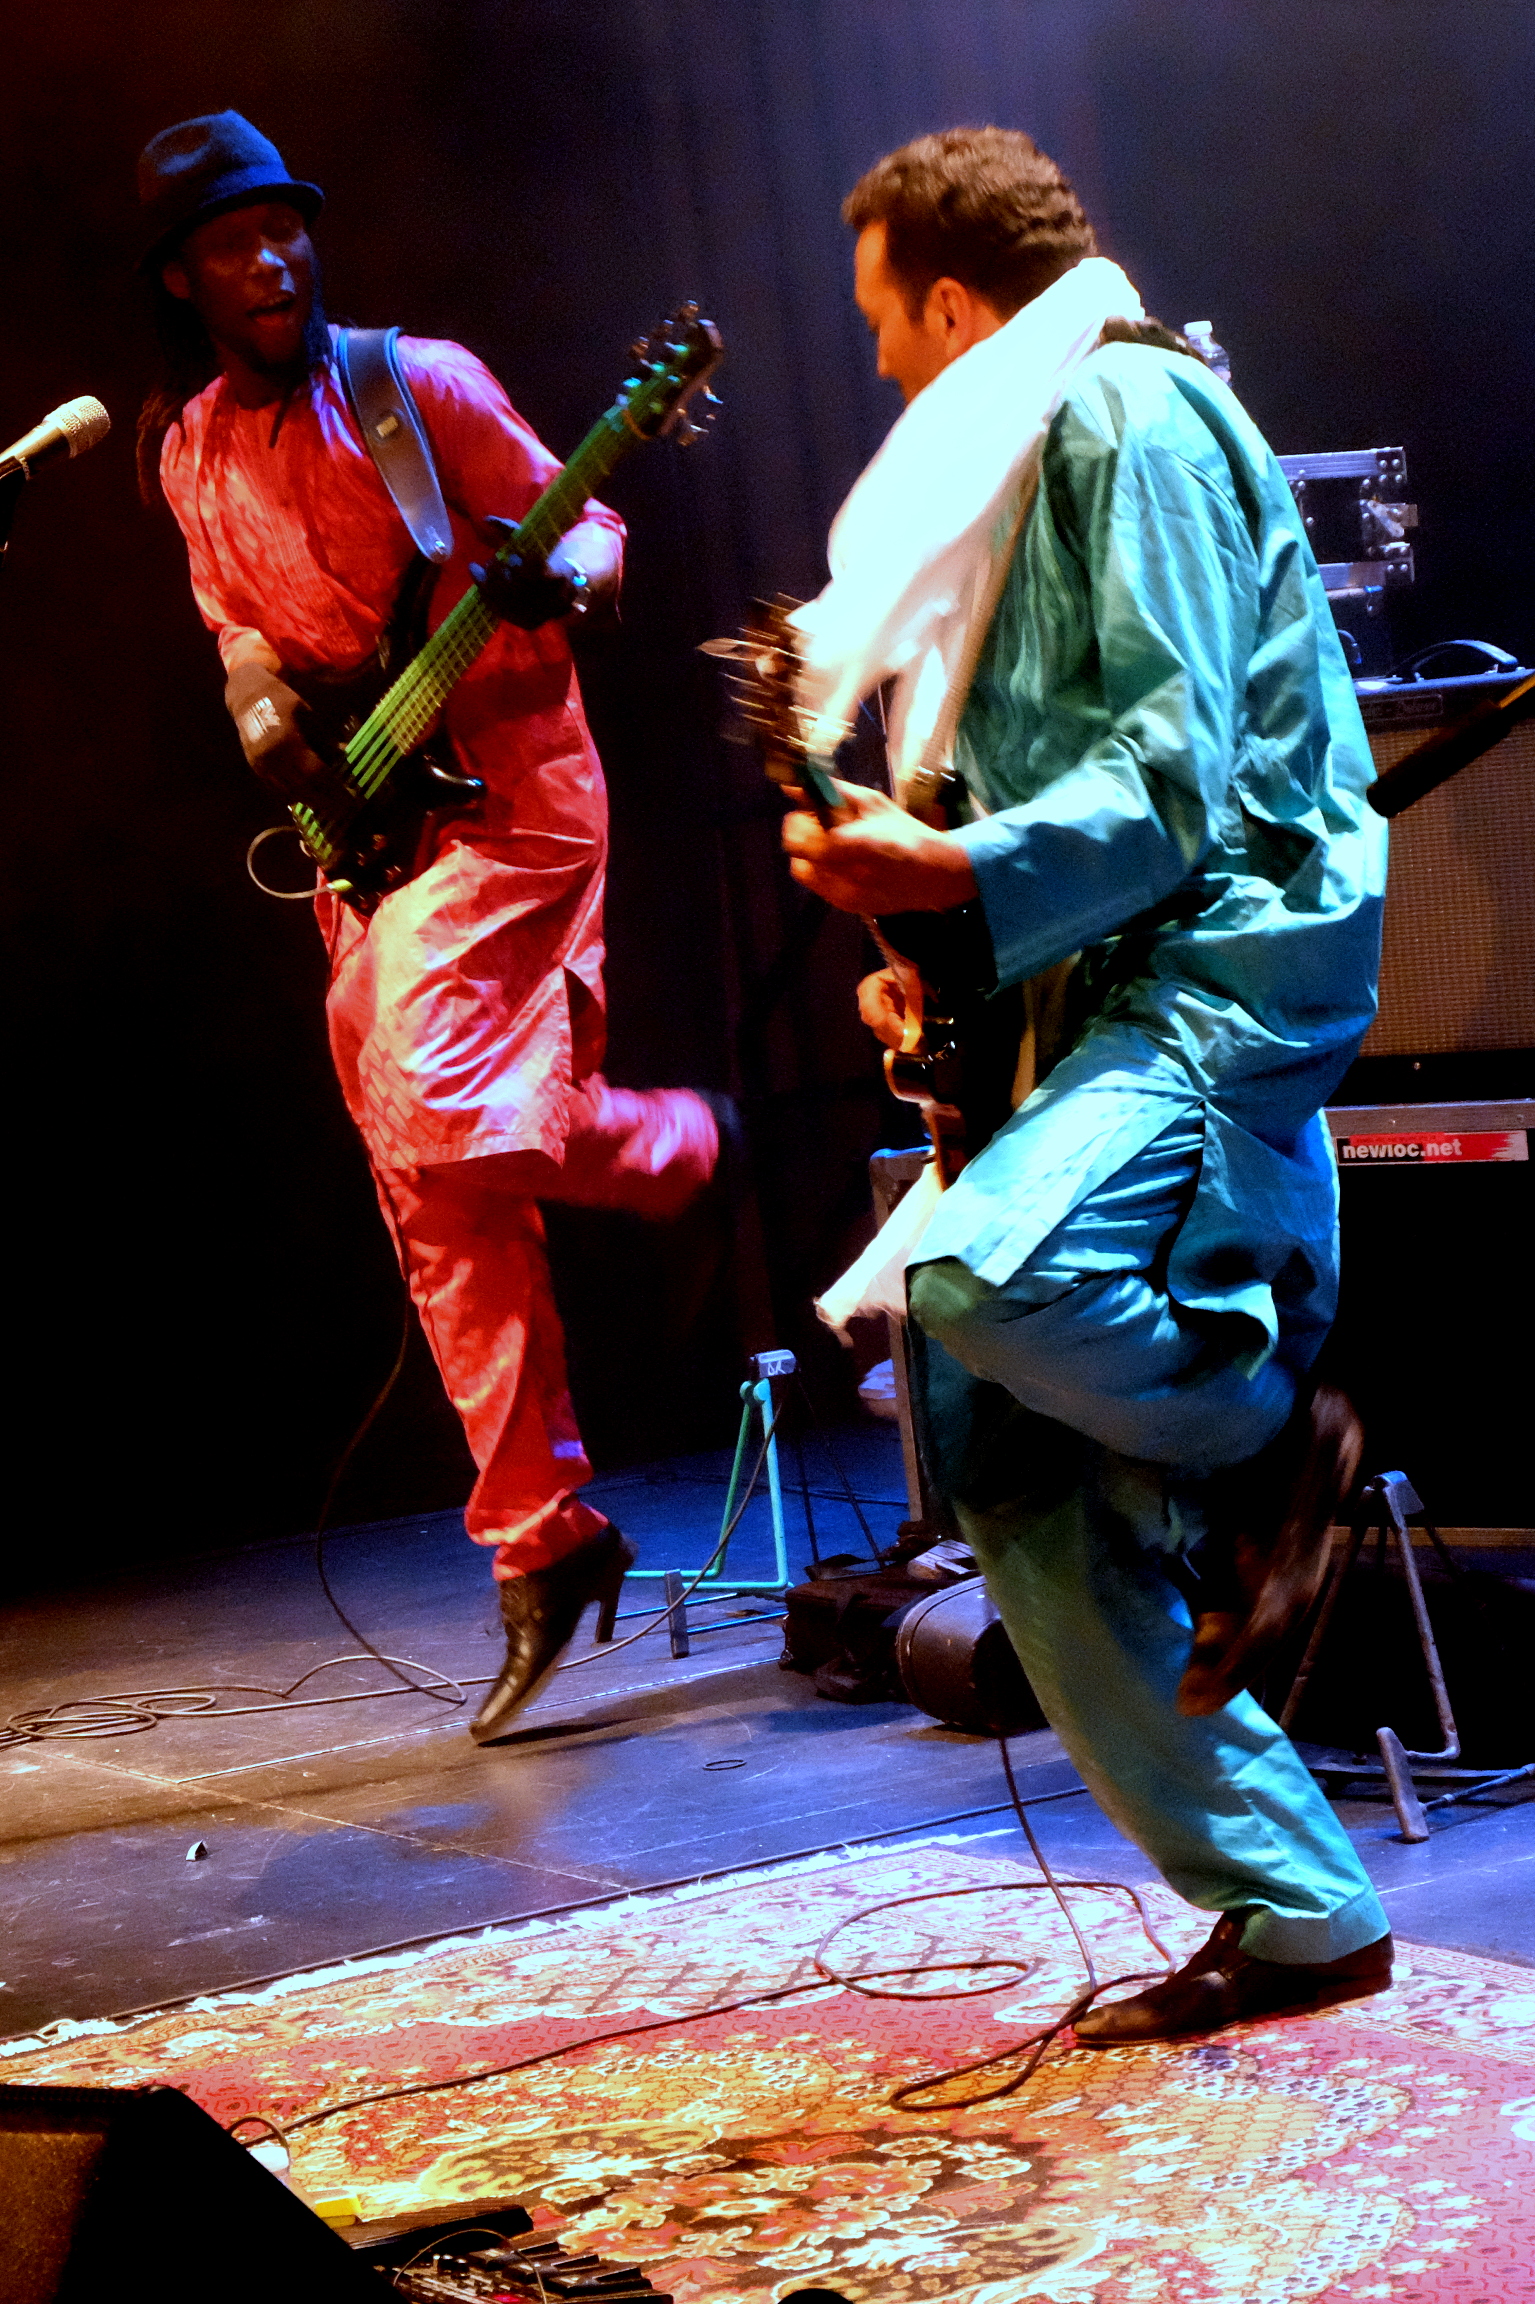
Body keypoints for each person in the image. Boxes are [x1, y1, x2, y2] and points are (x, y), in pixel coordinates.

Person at [782, 127, 1393, 2043]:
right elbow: (1014, 807)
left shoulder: (1132, 412)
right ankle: (1298, 1912)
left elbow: (1174, 776)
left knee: (985, 1277)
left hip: (1219, 971)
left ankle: (1273, 1441)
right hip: (1086, 997)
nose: (883, 363)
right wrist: (928, 950)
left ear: (962, 305)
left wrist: (957, 870)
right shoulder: (1002, 481)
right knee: (1011, 1475)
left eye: (888, 323)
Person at [137, 111, 721, 1743]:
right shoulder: (188, 454)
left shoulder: (416, 386)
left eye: (284, 227)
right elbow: (235, 630)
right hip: (369, 831)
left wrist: (566, 580)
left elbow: (591, 526)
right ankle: (543, 1538)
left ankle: (677, 1148)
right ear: (183, 279)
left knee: (440, 1100)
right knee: (426, 1182)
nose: (273, 259)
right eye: (233, 243)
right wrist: (260, 711)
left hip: (512, 789)